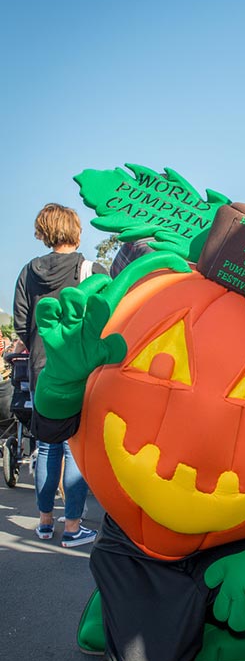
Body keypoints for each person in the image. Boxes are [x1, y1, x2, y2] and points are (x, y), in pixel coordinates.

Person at [13, 203, 107, 547]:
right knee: (75, 450)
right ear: (75, 230)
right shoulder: (91, 269)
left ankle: (44, 521)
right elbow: (107, 316)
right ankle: (72, 527)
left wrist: (41, 348)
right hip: (81, 373)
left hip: (42, 370)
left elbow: (23, 321)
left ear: (44, 231)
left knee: (47, 446)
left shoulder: (27, 272)